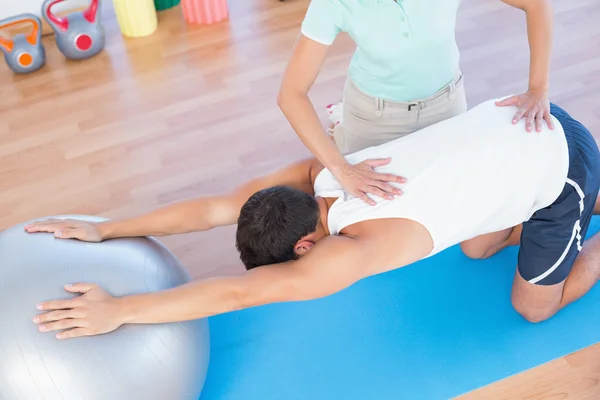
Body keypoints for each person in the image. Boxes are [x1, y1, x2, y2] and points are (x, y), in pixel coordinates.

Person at [28, 98, 599, 340]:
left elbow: (236, 296)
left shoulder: (352, 251)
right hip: (514, 126)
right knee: (476, 250)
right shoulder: (316, 177)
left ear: (306, 245)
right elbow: (213, 207)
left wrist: (119, 313)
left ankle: (585, 202)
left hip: (557, 158)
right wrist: (104, 228)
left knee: (532, 309)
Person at [277, 0, 555, 206]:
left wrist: (538, 88)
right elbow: (291, 93)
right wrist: (341, 169)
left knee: (451, 198)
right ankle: (342, 129)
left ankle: (340, 126)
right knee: (379, 208)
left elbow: (536, 4)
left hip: (447, 108)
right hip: (374, 119)